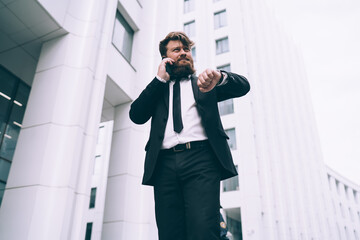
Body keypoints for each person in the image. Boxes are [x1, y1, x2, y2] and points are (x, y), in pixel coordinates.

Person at [129, 31, 250, 240]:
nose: (183, 53)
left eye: (186, 50)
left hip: (201, 161)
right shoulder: (157, 89)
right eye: (176, 50)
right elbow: (136, 115)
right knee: (169, 233)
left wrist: (219, 77)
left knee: (203, 230)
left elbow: (243, 86)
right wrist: (159, 79)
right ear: (165, 59)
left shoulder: (204, 83)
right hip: (163, 165)